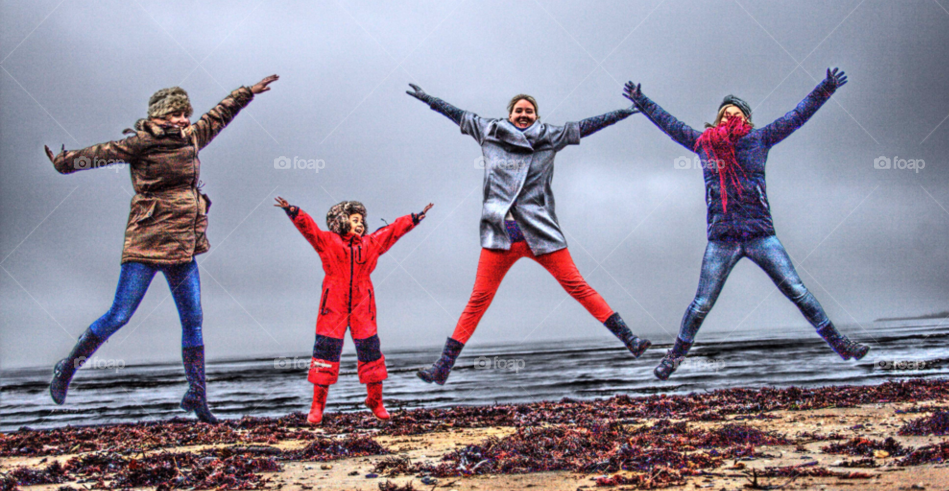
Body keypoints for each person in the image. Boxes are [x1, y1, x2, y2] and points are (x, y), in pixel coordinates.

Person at [45, 75, 279, 422]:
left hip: (183, 246)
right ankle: (67, 369)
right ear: (157, 117)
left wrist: (245, 94)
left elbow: (218, 115)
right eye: (175, 114)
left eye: (185, 113)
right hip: (146, 242)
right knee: (119, 315)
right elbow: (100, 154)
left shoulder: (192, 138)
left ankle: (197, 397)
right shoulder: (140, 143)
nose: (183, 120)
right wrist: (65, 162)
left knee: (193, 320)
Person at [622, 68, 869, 380]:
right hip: (722, 239)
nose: (729, 116)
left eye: (735, 112)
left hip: (761, 235)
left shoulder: (760, 139)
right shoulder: (704, 144)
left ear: (747, 119)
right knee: (701, 305)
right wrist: (642, 101)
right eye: (724, 113)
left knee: (798, 292)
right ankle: (673, 359)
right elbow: (670, 125)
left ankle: (842, 345)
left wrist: (826, 88)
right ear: (717, 118)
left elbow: (797, 116)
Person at [407, 85, 650, 386]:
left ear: (536, 116)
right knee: (477, 301)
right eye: (518, 111)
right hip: (501, 235)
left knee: (578, 287)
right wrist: (429, 99)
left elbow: (588, 126)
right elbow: (456, 114)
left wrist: (622, 113)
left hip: (539, 233)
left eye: (529, 111)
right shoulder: (488, 131)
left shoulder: (550, 137)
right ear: (509, 114)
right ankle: (442, 368)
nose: (523, 115)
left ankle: (631, 341)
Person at [275, 196, 433, 424]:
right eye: (355, 219)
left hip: (363, 303)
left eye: (362, 220)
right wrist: (293, 211)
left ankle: (375, 401)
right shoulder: (328, 241)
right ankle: (317, 406)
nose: (360, 224)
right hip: (333, 304)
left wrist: (414, 218)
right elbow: (309, 230)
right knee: (325, 352)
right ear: (341, 221)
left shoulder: (370, 244)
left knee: (370, 351)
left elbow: (391, 231)